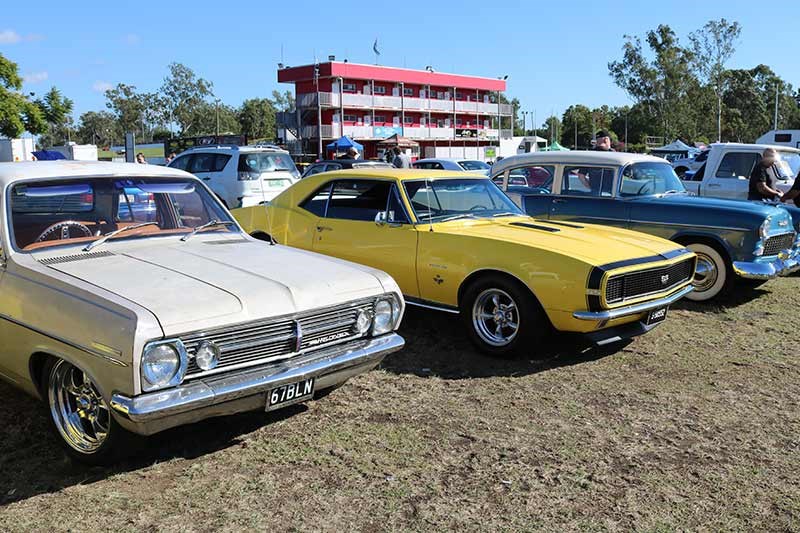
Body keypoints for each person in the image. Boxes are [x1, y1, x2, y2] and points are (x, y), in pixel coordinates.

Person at [576, 130, 615, 194]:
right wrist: (609, 147)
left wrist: (591, 187)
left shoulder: (590, 155)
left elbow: (581, 175)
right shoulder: (613, 154)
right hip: (611, 193)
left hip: (595, 193)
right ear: (606, 140)